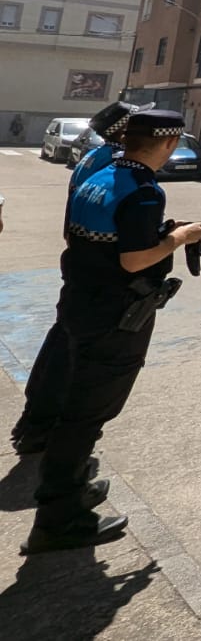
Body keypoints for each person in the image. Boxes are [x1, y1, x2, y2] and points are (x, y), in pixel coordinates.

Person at [21, 108, 201, 555]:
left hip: (80, 304)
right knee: (86, 414)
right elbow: (133, 259)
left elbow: (93, 236)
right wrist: (179, 238)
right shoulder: (143, 190)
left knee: (76, 401)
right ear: (167, 144)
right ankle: (59, 517)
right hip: (114, 318)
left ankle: (72, 487)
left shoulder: (95, 173)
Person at [10, 101, 135, 456]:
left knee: (63, 342)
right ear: (124, 129)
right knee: (79, 355)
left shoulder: (92, 158)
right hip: (98, 270)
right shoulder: (115, 163)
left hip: (80, 260)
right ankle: (50, 431)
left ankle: (37, 421)